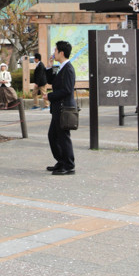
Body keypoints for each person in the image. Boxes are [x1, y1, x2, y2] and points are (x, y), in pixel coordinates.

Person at [44, 40, 76, 176]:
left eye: (55, 50)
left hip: (64, 109)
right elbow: (52, 81)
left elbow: (67, 90)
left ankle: (68, 165)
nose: (54, 53)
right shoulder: (62, 67)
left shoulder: (68, 69)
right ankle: (61, 161)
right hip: (59, 109)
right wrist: (49, 67)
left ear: (61, 53)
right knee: (53, 136)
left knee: (63, 137)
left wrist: (50, 96)